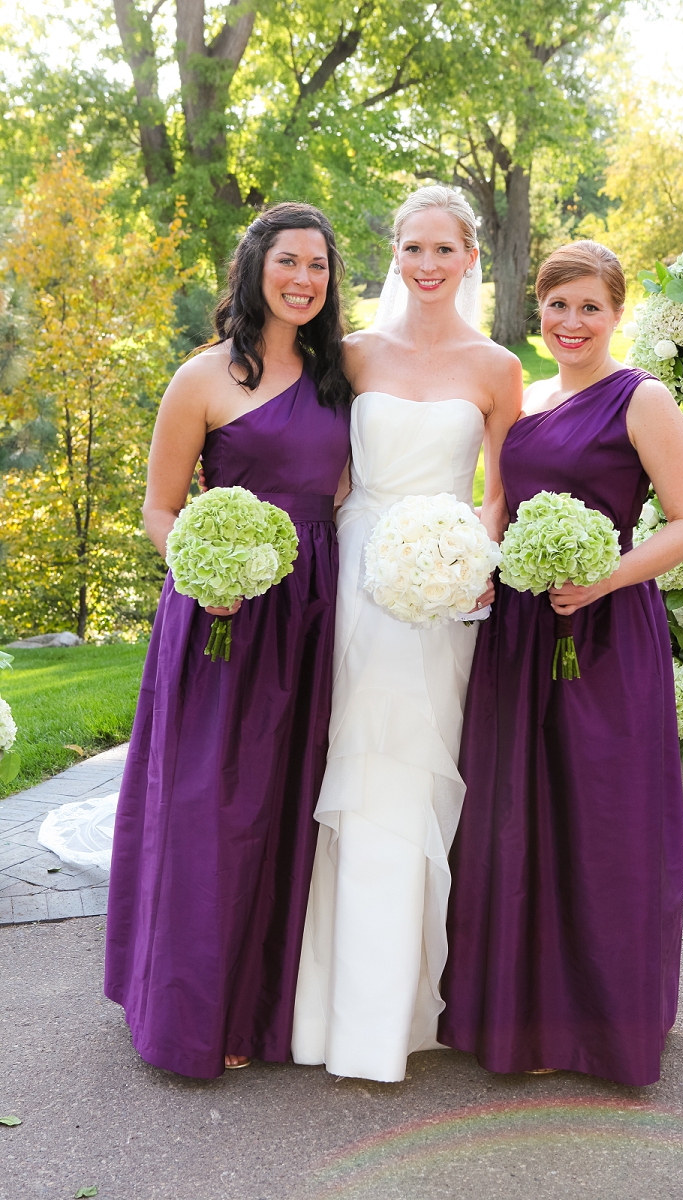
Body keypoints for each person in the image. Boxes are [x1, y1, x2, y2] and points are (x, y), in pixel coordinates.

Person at [439, 240, 683, 1087]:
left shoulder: (644, 398)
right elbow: (499, 502)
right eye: (557, 306)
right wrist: (471, 571)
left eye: (589, 306)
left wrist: (603, 578)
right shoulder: (526, 402)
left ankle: (604, 1027)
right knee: (516, 818)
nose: (570, 322)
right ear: (538, 312)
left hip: (603, 636)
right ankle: (519, 1020)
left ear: (616, 314)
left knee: (602, 822)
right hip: (520, 634)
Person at [104, 203, 352, 1078]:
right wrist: (208, 576)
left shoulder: (337, 379)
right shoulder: (202, 379)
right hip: (225, 618)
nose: (304, 280)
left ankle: (262, 1007)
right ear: (255, 267)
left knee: (287, 803)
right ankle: (187, 1008)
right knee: (212, 807)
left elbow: (350, 494)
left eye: (318, 267)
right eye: (288, 261)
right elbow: (160, 509)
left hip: (313, 616)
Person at [291, 186, 522, 1083]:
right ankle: (326, 1009)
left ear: (470, 256)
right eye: (412, 248)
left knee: (417, 776)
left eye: (444, 250)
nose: (427, 265)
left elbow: (499, 488)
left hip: (443, 589)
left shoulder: (498, 367)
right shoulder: (351, 354)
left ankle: (394, 1011)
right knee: (347, 766)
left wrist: (476, 564)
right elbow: (329, 472)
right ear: (396, 254)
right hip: (355, 578)